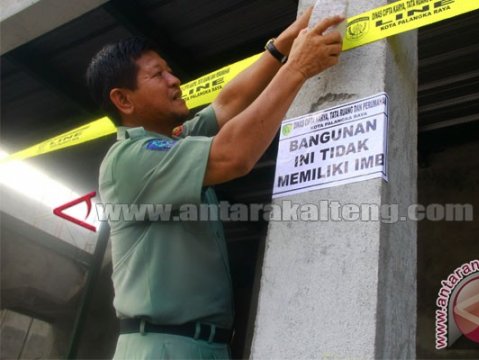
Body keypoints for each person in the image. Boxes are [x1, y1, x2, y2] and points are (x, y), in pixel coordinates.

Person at [86, 7, 343, 360]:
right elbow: (233, 155)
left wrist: (281, 46)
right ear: (123, 99)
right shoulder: (128, 160)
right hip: (162, 347)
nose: (174, 79)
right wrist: (296, 69)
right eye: (157, 74)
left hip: (203, 346)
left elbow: (228, 102)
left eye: (169, 70)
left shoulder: (175, 143)